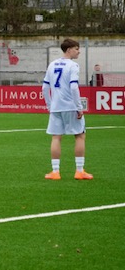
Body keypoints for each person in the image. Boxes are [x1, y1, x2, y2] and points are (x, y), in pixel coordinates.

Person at [42, 38, 92, 180]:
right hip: (70, 106)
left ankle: (55, 172)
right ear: (69, 50)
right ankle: (79, 171)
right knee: (80, 135)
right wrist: (79, 107)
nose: (79, 51)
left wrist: (49, 105)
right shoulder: (73, 65)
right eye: (76, 49)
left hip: (56, 107)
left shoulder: (52, 64)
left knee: (56, 137)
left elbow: (44, 88)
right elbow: (74, 87)